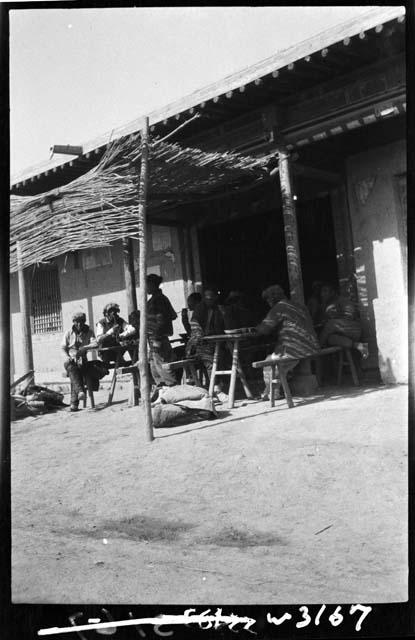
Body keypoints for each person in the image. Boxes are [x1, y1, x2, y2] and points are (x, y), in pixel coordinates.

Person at [256, 285, 320, 400]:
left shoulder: (279, 307)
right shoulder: (299, 306)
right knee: (278, 359)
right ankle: (268, 392)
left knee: (268, 363)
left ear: (272, 298)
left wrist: (255, 329)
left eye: (268, 299)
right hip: (312, 345)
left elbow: (264, 329)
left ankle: (273, 393)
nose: (268, 302)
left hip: (295, 349)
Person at [185, 285, 226, 383]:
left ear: (216, 298)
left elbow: (220, 327)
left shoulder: (217, 309)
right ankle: (215, 387)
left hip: (212, 341)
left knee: (222, 356)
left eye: (211, 298)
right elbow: (196, 332)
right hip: (200, 344)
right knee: (210, 361)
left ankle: (217, 385)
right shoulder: (200, 308)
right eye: (207, 298)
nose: (209, 300)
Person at [318, 283, 368, 358]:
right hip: (342, 333)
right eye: (321, 292)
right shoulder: (325, 305)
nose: (322, 294)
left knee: (331, 324)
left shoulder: (342, 300)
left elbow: (350, 314)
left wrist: (336, 318)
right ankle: (359, 346)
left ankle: (318, 348)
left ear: (332, 292)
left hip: (354, 329)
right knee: (330, 339)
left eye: (325, 291)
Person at [146, 273, 178, 388]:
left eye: (147, 285)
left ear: (153, 285)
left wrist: (157, 338)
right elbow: (173, 315)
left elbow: (162, 320)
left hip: (157, 337)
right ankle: (162, 390)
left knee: (161, 364)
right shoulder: (158, 299)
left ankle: (172, 389)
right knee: (154, 366)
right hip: (154, 337)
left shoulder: (158, 300)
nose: (145, 288)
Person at [62, 312, 97, 412]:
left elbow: (95, 343)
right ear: (73, 322)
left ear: (84, 322)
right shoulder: (69, 333)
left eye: (81, 321)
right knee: (72, 367)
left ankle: (74, 404)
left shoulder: (89, 331)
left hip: (82, 361)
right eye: (77, 322)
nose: (79, 324)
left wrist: (85, 348)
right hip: (70, 360)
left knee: (75, 372)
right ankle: (80, 392)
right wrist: (67, 356)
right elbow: (63, 347)